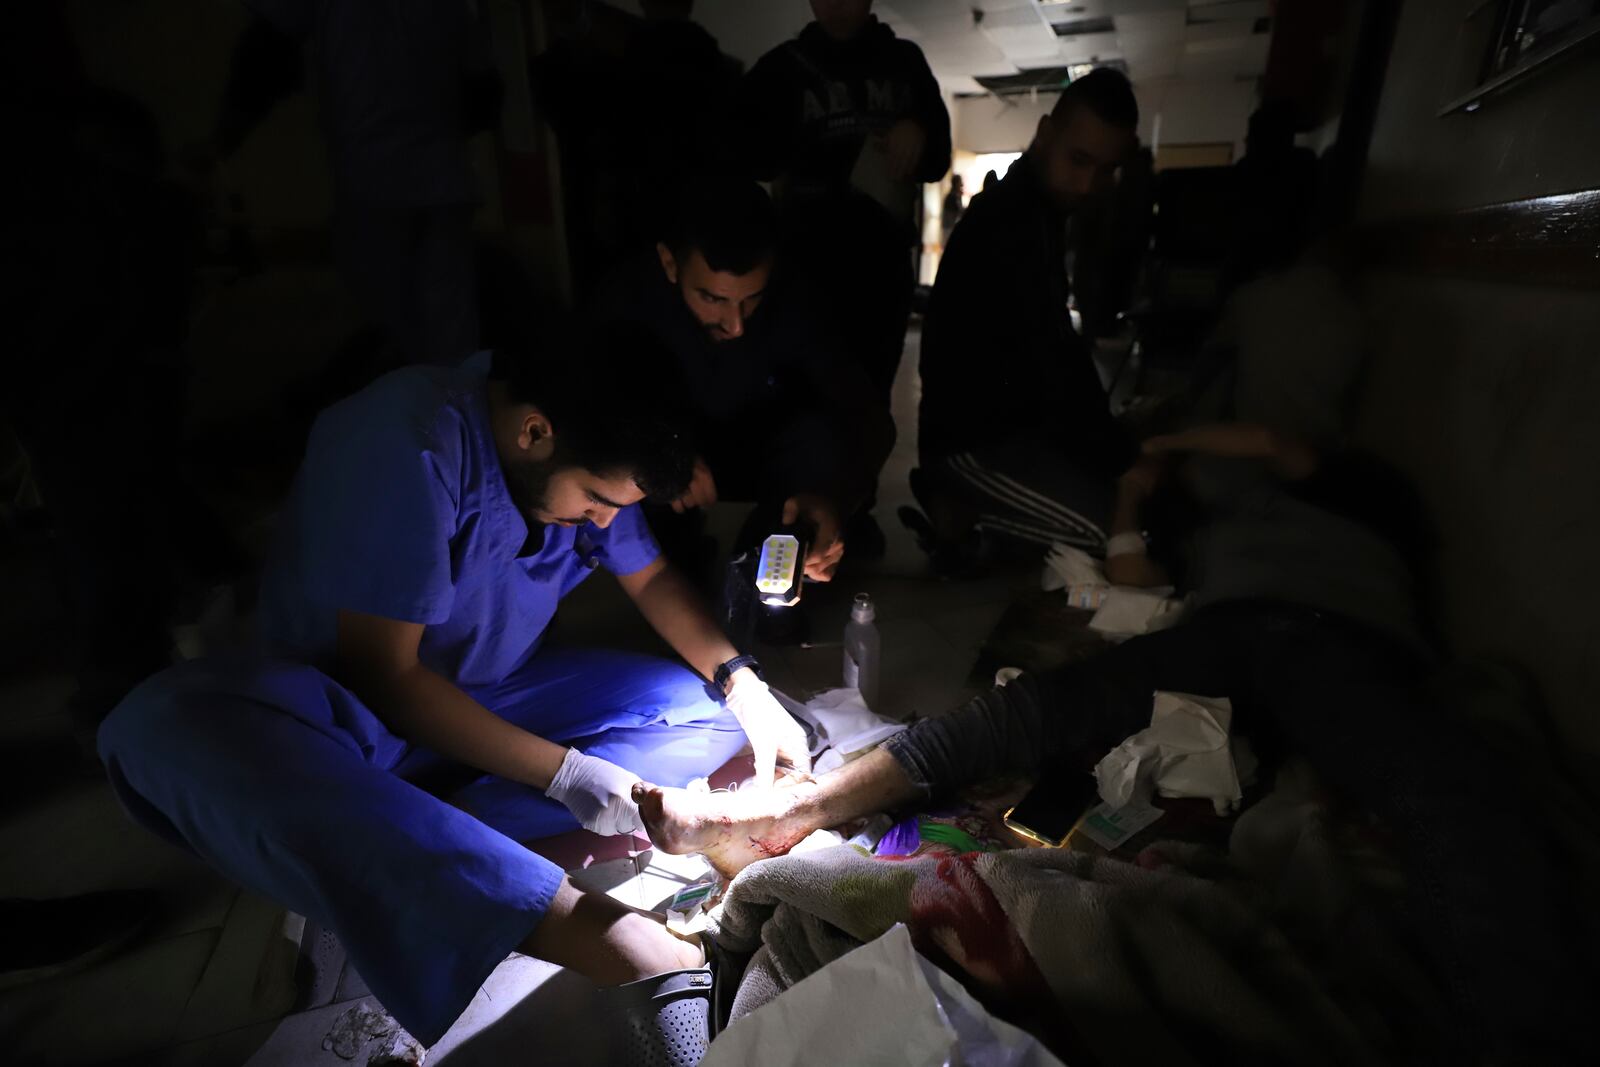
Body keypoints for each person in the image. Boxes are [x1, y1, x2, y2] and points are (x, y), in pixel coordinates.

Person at [634, 425, 1591, 1065]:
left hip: (1340, 638)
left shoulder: (1345, 499)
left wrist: (1172, 440)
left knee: (1436, 787)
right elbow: (1126, 573)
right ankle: (797, 805)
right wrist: (1138, 485)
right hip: (1229, 635)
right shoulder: (1213, 525)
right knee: (1041, 709)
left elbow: (1278, 443)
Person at [96, 328, 811, 1047]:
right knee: (155, 726)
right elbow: (389, 679)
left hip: (492, 690)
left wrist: (741, 682)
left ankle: (403, 842)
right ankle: (620, 942)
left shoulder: (581, 452)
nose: (604, 521)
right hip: (348, 719)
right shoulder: (406, 444)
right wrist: (569, 774)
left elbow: (650, 575)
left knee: (707, 716)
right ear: (535, 431)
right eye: (596, 500)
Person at [593, 176, 894, 591]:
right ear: (669, 263)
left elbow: (869, 418)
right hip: (670, 466)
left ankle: (777, 553)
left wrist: (835, 500)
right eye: (712, 299)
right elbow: (589, 403)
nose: (735, 325)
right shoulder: (625, 302)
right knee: (670, 569)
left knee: (819, 443)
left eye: (751, 298)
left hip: (761, 456)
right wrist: (657, 451)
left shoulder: (797, 300)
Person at [737, 0, 952, 555]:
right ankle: (790, 513)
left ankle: (853, 511)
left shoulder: (903, 62)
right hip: (805, 267)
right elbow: (749, 159)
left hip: (879, 266)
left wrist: (917, 129)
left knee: (868, 399)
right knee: (801, 392)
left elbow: (938, 158)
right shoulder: (783, 67)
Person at [910, 69, 1139, 570]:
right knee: (1115, 531)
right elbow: (1052, 363)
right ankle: (959, 508)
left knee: (1124, 507)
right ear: (1045, 134)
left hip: (1012, 431)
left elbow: (1055, 358)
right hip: (971, 444)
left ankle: (970, 515)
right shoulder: (1011, 225)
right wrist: (1121, 459)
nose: (1088, 184)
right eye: (1079, 160)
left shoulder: (1037, 216)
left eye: (1105, 169)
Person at [200, 0, 501, 365]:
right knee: (448, 340)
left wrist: (221, 142)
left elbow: (265, 54)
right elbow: (484, 92)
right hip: (443, 181)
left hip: (373, 178)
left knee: (395, 337)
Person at [940, 173, 965, 242]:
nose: (962, 184)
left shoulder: (954, 195)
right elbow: (959, 210)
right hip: (949, 227)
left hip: (950, 226)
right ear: (956, 183)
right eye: (960, 182)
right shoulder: (952, 196)